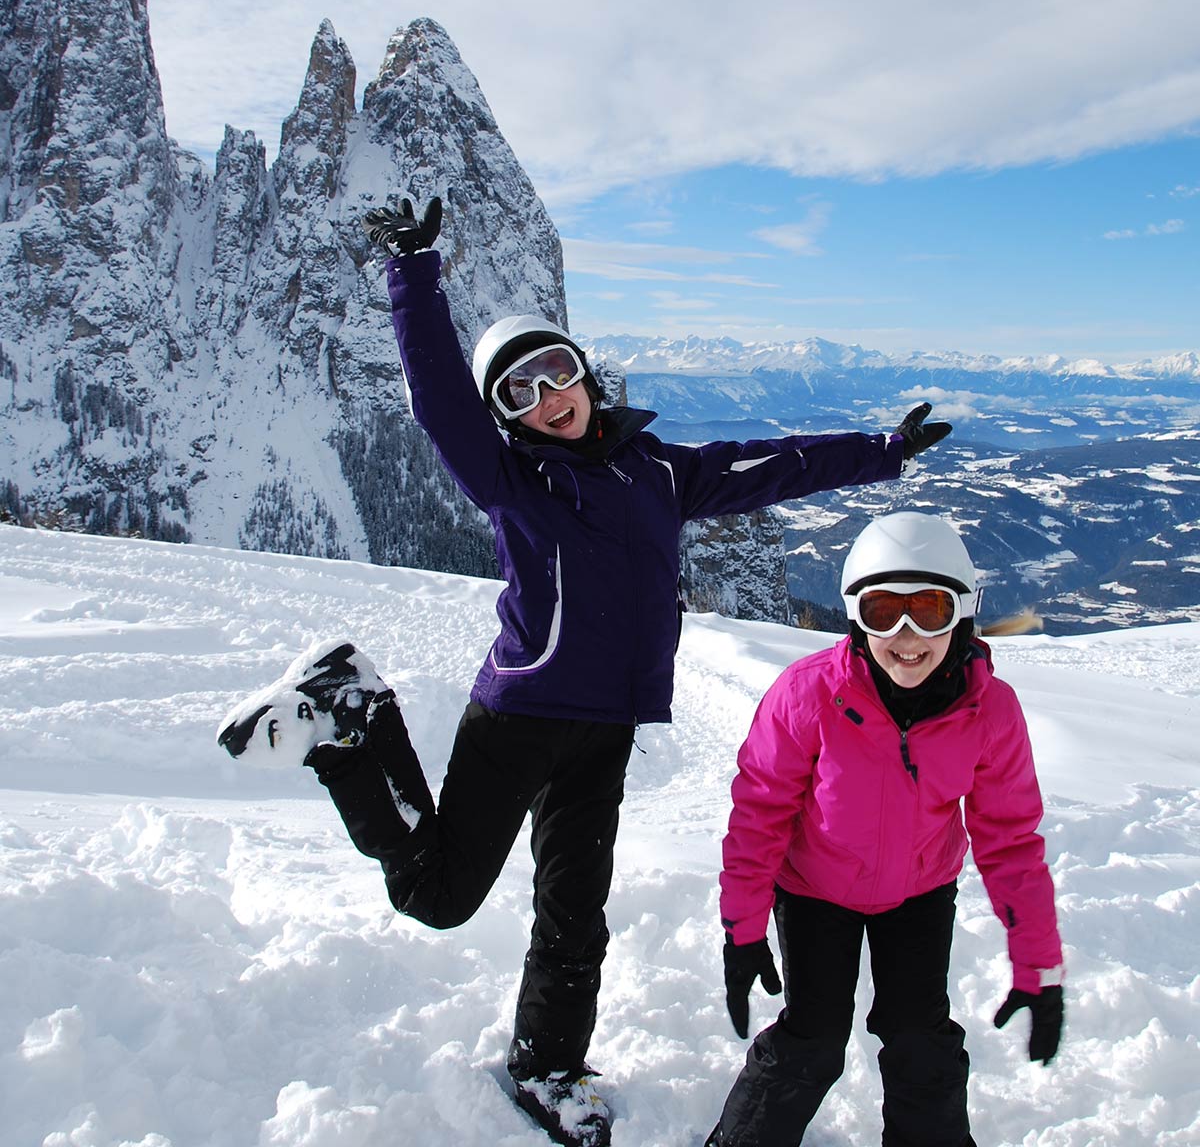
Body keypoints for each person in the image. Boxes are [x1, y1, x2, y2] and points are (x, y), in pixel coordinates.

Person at [217, 197, 952, 1147]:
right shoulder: (514, 478)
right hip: (519, 716)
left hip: (604, 731)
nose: (546, 398)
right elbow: (439, 399)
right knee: (438, 897)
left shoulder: (656, 471)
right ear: (504, 418)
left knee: (575, 914)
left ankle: (548, 1067)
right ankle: (355, 722)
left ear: (584, 373)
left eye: (555, 373)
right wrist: (416, 275)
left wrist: (882, 453)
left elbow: (769, 465)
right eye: (517, 394)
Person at [705, 510, 1065, 1147]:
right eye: (881, 612)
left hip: (919, 894)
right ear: (854, 618)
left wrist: (1037, 966)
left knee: (919, 1038)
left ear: (961, 614)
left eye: (927, 610)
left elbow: (1010, 840)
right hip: (815, 889)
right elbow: (760, 813)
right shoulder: (808, 695)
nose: (905, 636)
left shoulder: (989, 710)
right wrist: (742, 929)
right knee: (812, 1037)